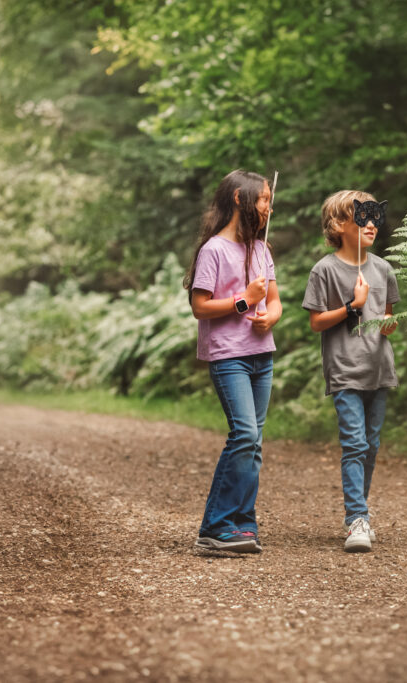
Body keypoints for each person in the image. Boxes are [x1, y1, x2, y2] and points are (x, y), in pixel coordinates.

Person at [185, 169, 282, 553]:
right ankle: (214, 528)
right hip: (229, 357)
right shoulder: (213, 250)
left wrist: (269, 315)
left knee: (254, 442)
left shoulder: (261, 249)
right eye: (263, 198)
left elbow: (274, 302)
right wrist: (244, 299)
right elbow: (200, 308)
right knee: (243, 434)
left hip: (262, 355)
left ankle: (242, 524)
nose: (268, 205)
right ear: (240, 199)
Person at [302, 190, 399, 553]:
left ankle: (361, 513)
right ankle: (356, 517)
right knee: (355, 444)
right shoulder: (325, 269)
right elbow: (316, 322)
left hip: (379, 369)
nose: (371, 223)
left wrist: (389, 323)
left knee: (371, 446)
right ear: (340, 225)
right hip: (344, 370)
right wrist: (352, 306)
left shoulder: (384, 269)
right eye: (363, 217)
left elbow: (388, 316)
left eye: (375, 216)